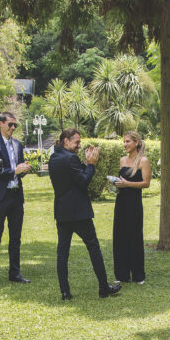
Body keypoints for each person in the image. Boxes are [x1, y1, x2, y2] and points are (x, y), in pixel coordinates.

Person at [48, 127, 122, 300]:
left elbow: (73, 174)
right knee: (93, 248)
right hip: (79, 212)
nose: (79, 145)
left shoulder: (54, 158)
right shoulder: (70, 158)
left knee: (62, 253)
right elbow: (83, 180)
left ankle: (65, 292)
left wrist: (85, 163)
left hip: (62, 211)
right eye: (77, 142)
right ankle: (103, 287)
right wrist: (91, 165)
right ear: (66, 141)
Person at [0, 111, 32, 287]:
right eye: (10, 124)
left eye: (14, 125)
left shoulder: (17, 144)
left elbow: (18, 170)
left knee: (16, 238)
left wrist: (23, 170)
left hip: (16, 196)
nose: (12, 128)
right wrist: (13, 171)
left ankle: (15, 273)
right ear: (1, 123)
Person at [113, 131, 151, 284]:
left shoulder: (143, 161)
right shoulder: (122, 160)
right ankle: (121, 275)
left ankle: (138, 275)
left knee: (134, 237)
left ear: (136, 142)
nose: (125, 144)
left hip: (134, 204)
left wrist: (127, 184)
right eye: (124, 141)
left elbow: (146, 183)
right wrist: (115, 184)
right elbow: (121, 181)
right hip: (120, 202)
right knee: (120, 237)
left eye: (128, 141)